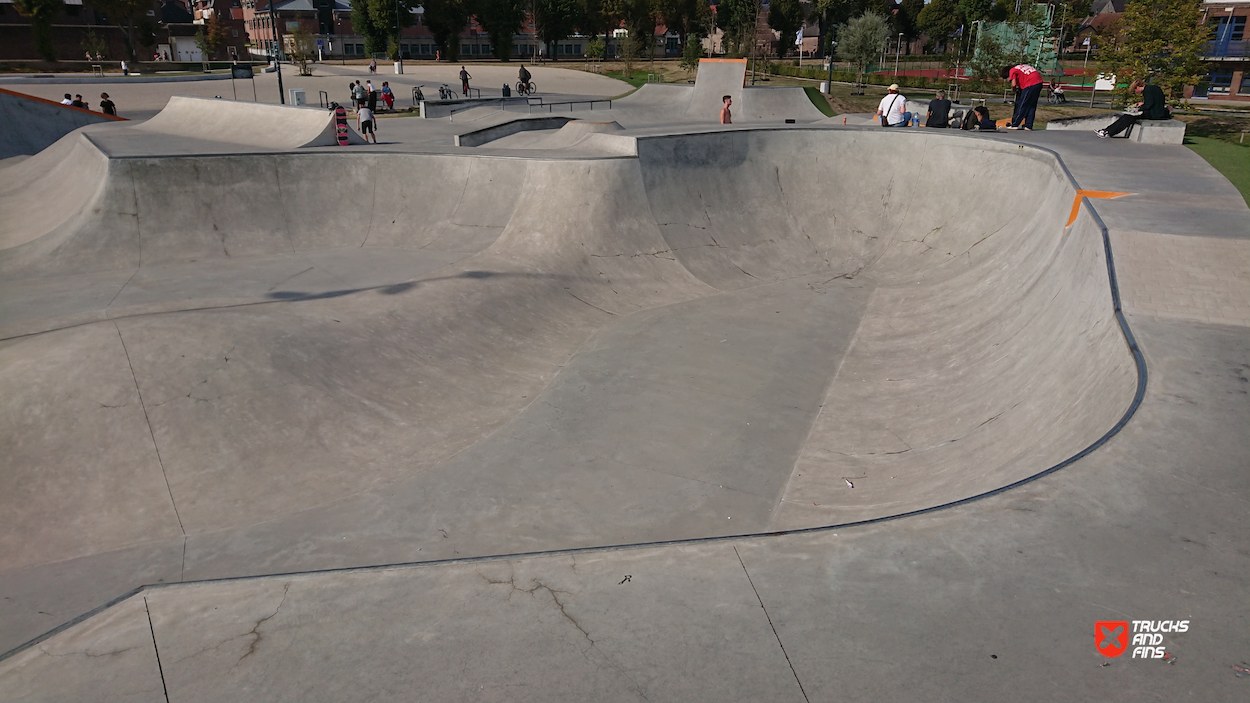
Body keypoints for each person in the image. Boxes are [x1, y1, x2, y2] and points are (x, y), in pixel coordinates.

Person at [1096, 79, 1171, 138]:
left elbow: (1149, 104)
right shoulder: (1153, 87)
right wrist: (1143, 103)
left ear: (1138, 87)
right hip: (1159, 112)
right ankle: (1107, 130)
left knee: (1128, 116)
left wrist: (1138, 109)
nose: (1136, 92)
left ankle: (1109, 132)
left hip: (1153, 114)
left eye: (1135, 90)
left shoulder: (1146, 91)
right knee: (1128, 116)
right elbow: (1155, 101)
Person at [1001, 64, 1043, 130]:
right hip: (1039, 83)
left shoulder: (1012, 70)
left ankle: (1015, 124)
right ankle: (1028, 125)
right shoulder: (1020, 67)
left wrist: (1014, 89)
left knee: (1022, 104)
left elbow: (1013, 84)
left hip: (1030, 84)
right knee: (1032, 105)